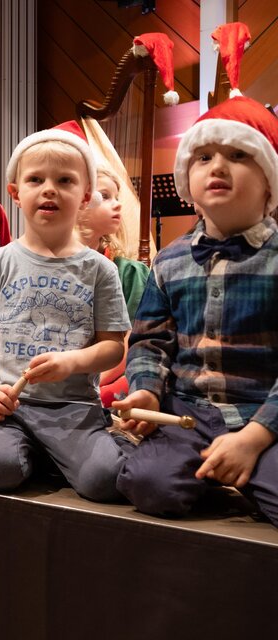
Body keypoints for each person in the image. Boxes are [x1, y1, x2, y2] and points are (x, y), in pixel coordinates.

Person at [114, 95, 278, 527]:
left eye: (238, 155)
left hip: (262, 413)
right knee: (148, 485)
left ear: (269, 183)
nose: (218, 166)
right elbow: (151, 341)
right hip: (187, 413)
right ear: (188, 178)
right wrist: (147, 390)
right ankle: (222, 479)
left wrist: (254, 438)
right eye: (203, 156)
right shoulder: (168, 260)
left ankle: (243, 469)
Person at [0, 121, 130, 502]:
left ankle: (56, 452)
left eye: (65, 181)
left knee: (104, 480)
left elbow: (114, 347)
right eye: (36, 179)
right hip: (10, 406)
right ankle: (31, 449)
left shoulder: (100, 269)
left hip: (74, 408)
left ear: (86, 196)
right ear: (16, 193)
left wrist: (72, 362)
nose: (49, 188)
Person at [76, 167, 150, 406]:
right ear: (77, 202)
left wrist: (93, 386)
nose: (117, 205)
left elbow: (128, 344)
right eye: (105, 196)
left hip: (109, 375)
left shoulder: (129, 273)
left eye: (117, 197)